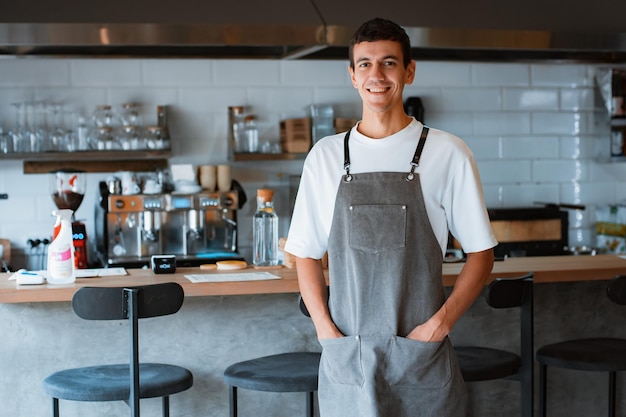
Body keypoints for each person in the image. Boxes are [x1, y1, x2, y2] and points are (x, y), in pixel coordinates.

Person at [285, 17, 497, 417]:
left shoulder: (448, 152)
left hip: (421, 354)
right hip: (348, 353)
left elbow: (481, 253)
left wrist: (439, 325)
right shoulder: (327, 156)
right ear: (351, 75)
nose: (376, 75)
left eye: (388, 63)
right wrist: (326, 332)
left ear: (409, 71)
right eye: (364, 64)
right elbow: (305, 254)